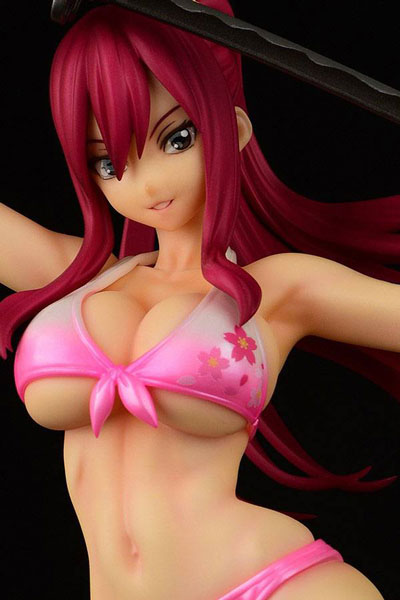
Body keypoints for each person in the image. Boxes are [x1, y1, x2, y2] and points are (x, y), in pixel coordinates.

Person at [0, 2, 398, 598]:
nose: (147, 183)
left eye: (177, 138)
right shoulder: (79, 275)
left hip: (269, 584)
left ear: (232, 131)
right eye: (108, 162)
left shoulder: (280, 289)